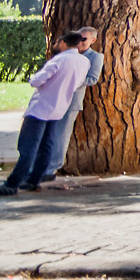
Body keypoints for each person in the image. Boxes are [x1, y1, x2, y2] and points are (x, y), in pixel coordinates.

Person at [0, 31, 92, 196]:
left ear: (64, 43)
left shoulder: (59, 60)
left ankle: (12, 183)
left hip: (41, 107)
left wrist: (35, 78)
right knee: (46, 146)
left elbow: (37, 81)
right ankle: (34, 180)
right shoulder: (84, 62)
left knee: (28, 147)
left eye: (59, 41)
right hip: (59, 107)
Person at [39, 26, 103, 184]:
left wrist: (70, 80)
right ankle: (38, 167)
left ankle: (51, 169)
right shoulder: (66, 53)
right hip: (53, 98)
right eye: (79, 38)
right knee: (45, 132)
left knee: (61, 135)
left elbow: (92, 79)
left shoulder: (95, 57)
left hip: (72, 100)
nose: (80, 43)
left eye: (84, 39)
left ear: (93, 41)